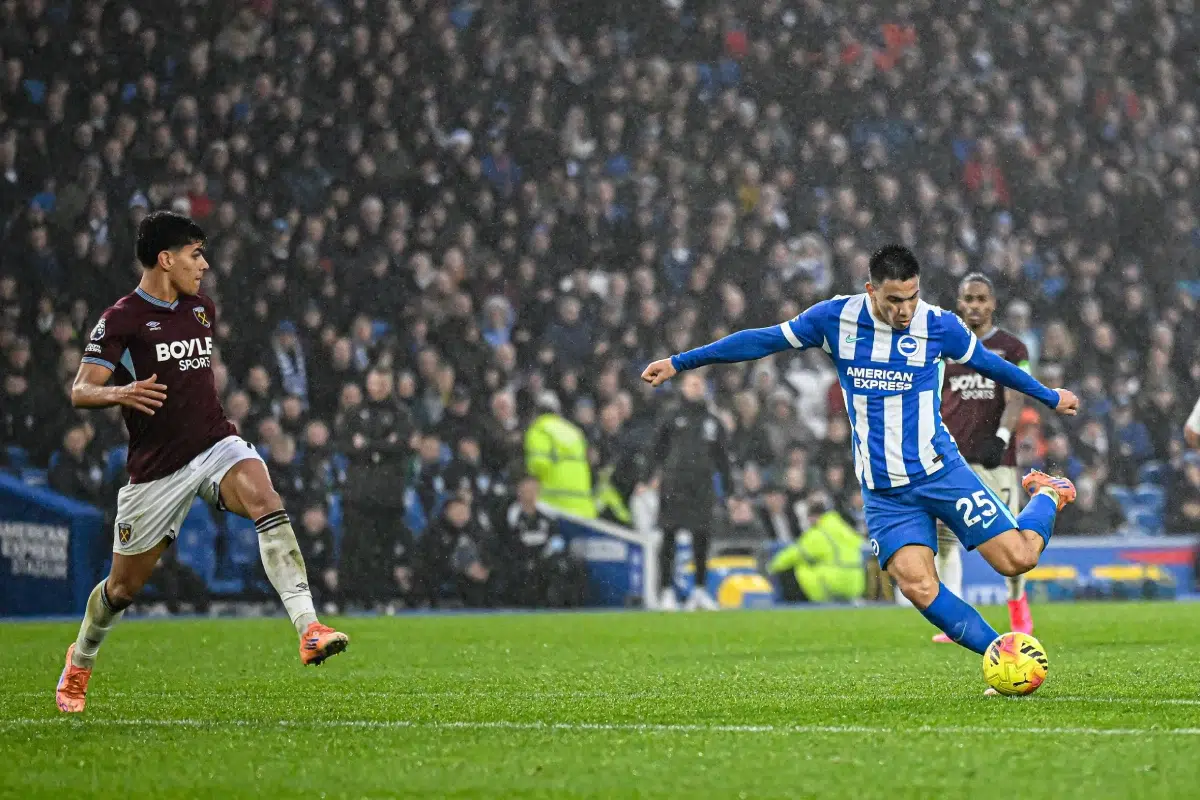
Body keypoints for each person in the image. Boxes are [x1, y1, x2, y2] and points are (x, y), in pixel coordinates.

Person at [642, 245, 1079, 693]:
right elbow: (762, 340)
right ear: (871, 290)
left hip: (940, 471)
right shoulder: (834, 320)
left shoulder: (939, 325)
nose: (905, 309)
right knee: (917, 584)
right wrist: (680, 362)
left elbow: (992, 364)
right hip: (886, 490)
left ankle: (1047, 493)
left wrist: (1049, 396)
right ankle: (1003, 657)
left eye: (911, 297)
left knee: (1017, 560)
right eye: (893, 300)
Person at [55, 211, 348, 714]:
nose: (205, 265)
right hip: (156, 471)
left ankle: (308, 627)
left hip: (215, 444)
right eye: (196, 254)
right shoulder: (122, 319)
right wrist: (123, 391)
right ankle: (79, 660)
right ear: (165, 260)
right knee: (123, 589)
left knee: (265, 498)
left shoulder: (200, 310)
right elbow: (81, 391)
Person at [932, 273, 1035, 642]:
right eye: (968, 299)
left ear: (992, 304)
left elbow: (1017, 397)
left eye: (981, 299)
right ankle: (954, 619)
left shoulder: (1012, 348)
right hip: (952, 461)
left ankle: (1016, 602)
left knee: (1009, 540)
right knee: (944, 539)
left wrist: (1002, 437)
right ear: (959, 303)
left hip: (996, 461)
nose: (975, 305)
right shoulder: (944, 346)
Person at [648, 371, 733, 611]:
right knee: (669, 536)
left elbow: (722, 458)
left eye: (700, 384)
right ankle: (666, 592)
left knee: (702, 538)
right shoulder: (671, 417)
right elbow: (656, 449)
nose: (697, 388)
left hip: (702, 487)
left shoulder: (712, 422)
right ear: (683, 387)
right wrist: (647, 477)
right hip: (674, 486)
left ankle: (699, 590)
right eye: (692, 384)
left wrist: (729, 488)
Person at [768, 494, 866, 604]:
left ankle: (789, 607)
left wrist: (771, 567)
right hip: (855, 584)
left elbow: (794, 554)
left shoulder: (819, 533)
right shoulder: (844, 528)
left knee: (792, 569)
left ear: (813, 517)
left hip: (831, 584)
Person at [524, 391, 596, 518]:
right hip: (583, 506)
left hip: (554, 504)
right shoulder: (574, 431)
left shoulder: (539, 429)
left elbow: (539, 464)